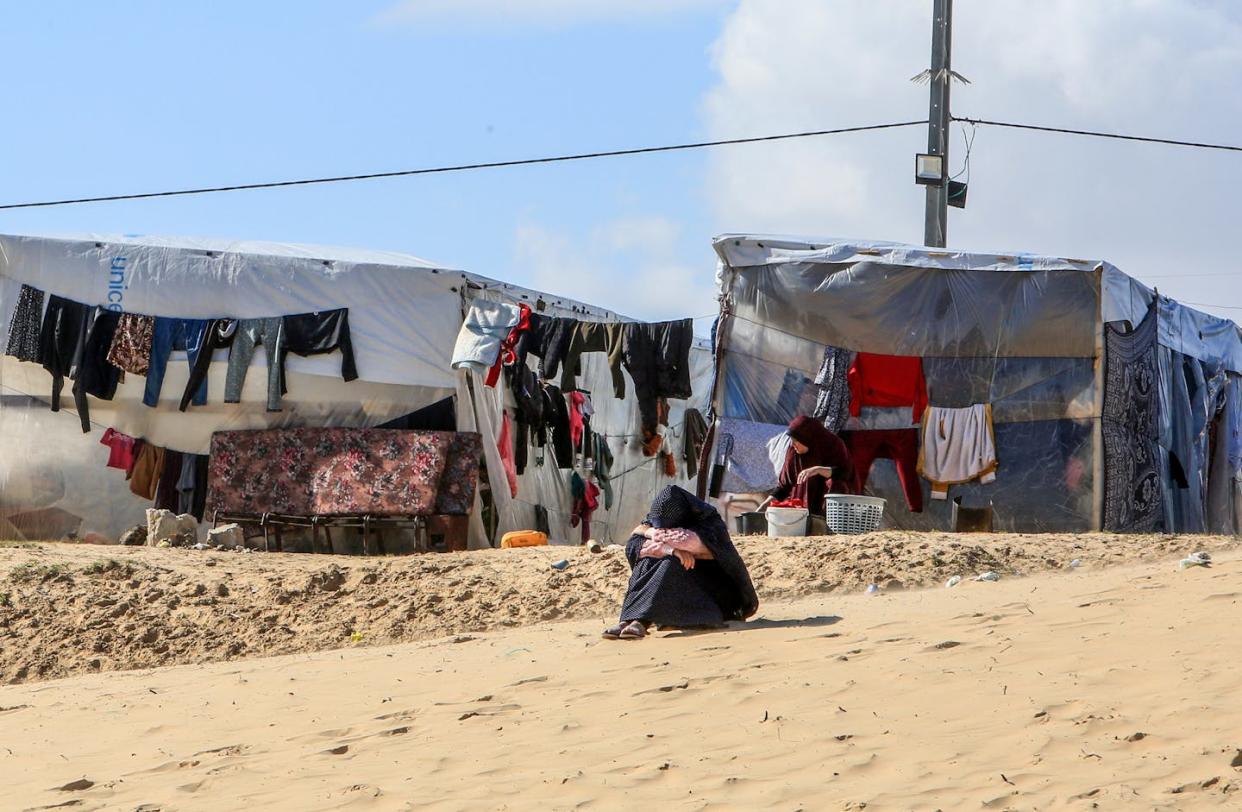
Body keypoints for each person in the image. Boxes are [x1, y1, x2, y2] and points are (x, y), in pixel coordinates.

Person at [603, 486, 758, 640]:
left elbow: (701, 546)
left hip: (712, 595)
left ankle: (641, 621)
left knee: (671, 563)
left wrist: (673, 547)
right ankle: (628, 620)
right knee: (647, 561)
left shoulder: (709, 523)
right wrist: (670, 548)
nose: (663, 529)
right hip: (677, 589)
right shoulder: (656, 523)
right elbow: (635, 543)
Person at [759, 415, 855, 517]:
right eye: (792, 440)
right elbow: (784, 487)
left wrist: (818, 470)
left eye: (796, 441)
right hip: (803, 510)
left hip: (832, 509)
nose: (793, 444)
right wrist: (765, 505)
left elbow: (845, 472)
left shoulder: (833, 445)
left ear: (807, 439)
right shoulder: (793, 452)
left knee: (836, 483)